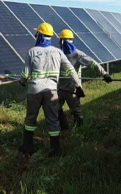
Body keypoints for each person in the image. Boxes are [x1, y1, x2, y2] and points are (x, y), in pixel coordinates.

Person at [18, 22, 83, 157]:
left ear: (39, 35)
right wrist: (78, 86)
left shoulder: (32, 51)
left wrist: (22, 81)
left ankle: (27, 148)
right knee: (53, 120)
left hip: (34, 91)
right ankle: (55, 150)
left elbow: (25, 74)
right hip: (52, 92)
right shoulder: (58, 52)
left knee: (30, 119)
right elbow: (71, 70)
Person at [57, 29, 112, 128]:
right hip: (60, 88)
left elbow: (92, 63)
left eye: (61, 39)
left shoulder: (77, 54)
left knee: (75, 111)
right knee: (56, 109)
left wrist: (104, 74)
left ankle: (79, 129)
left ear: (62, 41)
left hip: (73, 89)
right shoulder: (58, 53)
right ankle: (63, 127)